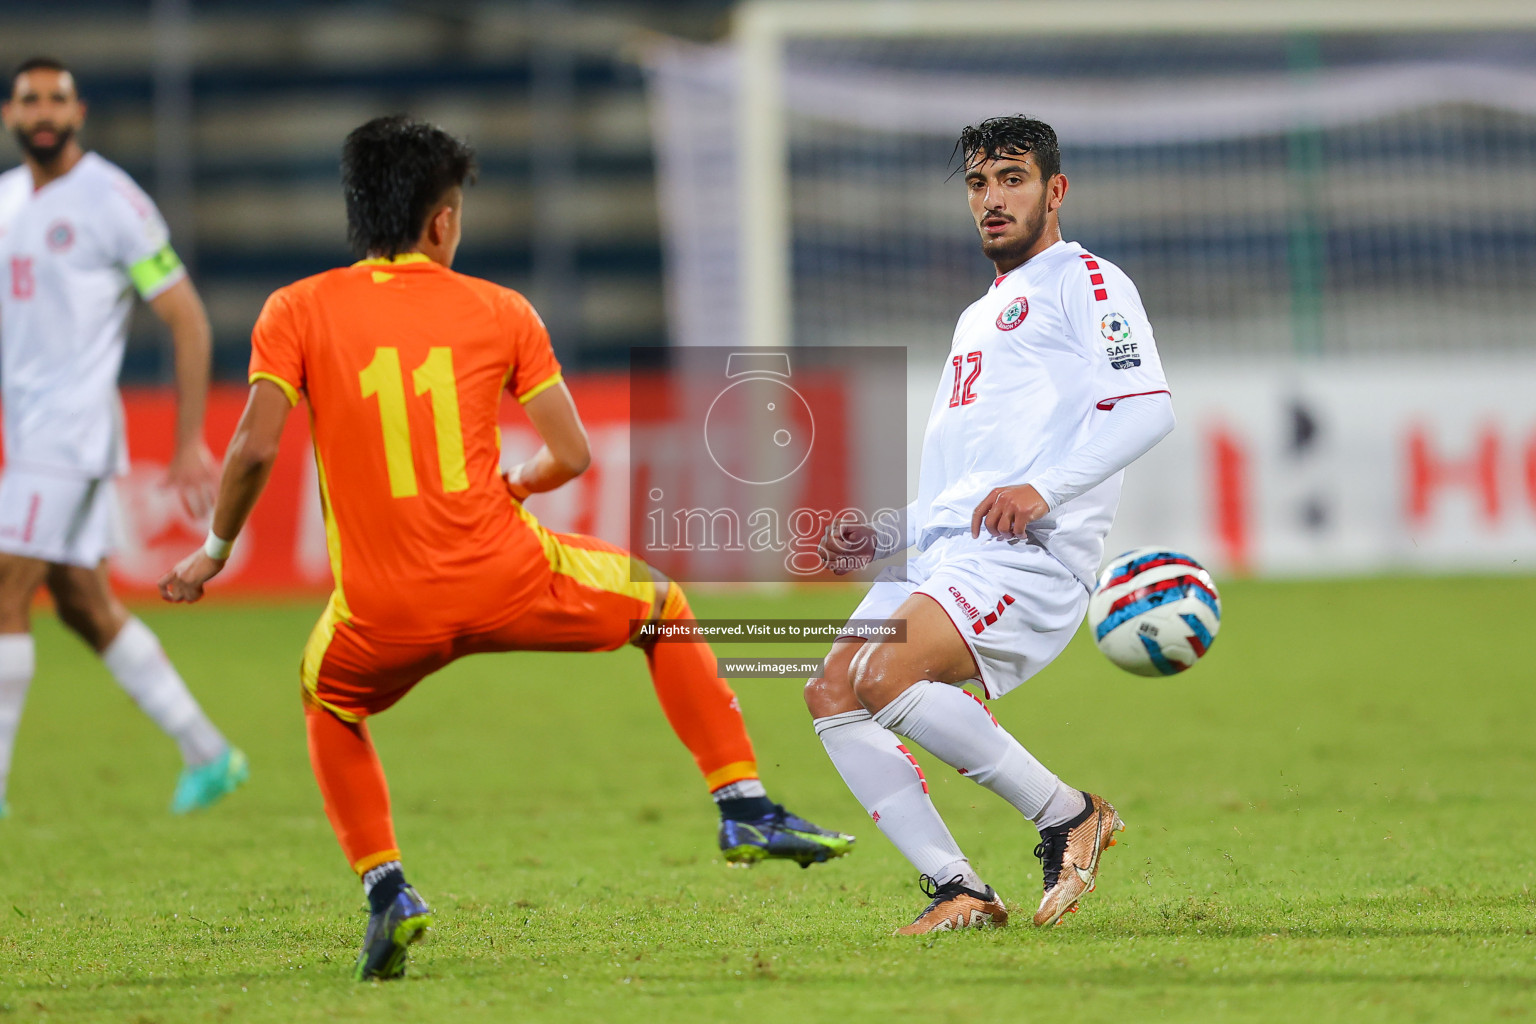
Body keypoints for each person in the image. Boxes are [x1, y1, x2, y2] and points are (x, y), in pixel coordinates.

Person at [158, 115, 854, 981]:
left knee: (328, 702)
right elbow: (573, 454)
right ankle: (742, 803)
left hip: (383, 611)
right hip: (506, 575)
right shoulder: (500, 308)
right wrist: (516, 484)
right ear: (442, 221)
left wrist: (215, 549)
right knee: (662, 608)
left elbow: (256, 447)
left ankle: (387, 891)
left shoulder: (295, 309)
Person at [809, 115, 1176, 934]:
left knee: (881, 676)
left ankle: (1068, 814)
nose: (992, 198)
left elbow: (1147, 409)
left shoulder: (1089, 281)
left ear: (1056, 189)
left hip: (1026, 556)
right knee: (831, 690)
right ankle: (959, 889)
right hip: (949, 551)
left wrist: (1045, 488)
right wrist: (889, 531)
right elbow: (967, 477)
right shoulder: (982, 313)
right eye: (978, 183)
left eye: (1012, 177)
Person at [0, 57, 246, 817]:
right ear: (10, 114)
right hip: (30, 430)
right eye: (29, 99)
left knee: (5, 585)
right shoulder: (6, 201)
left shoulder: (112, 199)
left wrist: (186, 442)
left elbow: (188, 318)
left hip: (71, 433)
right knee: (81, 602)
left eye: (58, 100)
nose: (43, 112)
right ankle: (210, 753)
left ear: (79, 115)